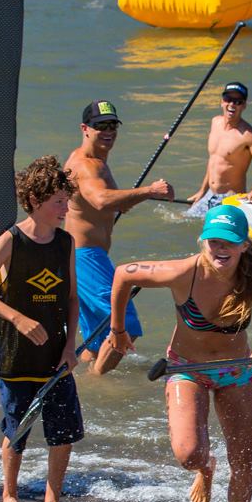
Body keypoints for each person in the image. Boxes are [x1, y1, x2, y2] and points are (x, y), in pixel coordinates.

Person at [107, 205, 252, 502]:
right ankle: (206, 468)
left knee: (244, 460)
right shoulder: (184, 273)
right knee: (189, 456)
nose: (220, 249)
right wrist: (117, 330)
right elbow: (123, 274)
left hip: (236, 371)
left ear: (243, 245)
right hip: (186, 369)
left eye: (229, 242)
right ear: (202, 241)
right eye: (214, 241)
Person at [0, 156, 85, 502]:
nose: (66, 209)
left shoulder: (65, 242)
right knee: (16, 430)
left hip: (56, 355)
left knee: (63, 433)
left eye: (66, 201)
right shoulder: (10, 240)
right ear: (34, 200)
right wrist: (17, 318)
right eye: (59, 202)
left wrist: (70, 346)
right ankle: (9, 497)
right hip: (17, 357)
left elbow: (72, 298)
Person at [62, 100, 173, 370]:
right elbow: (101, 200)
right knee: (125, 327)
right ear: (85, 128)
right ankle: (100, 381)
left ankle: (85, 383)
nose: (108, 131)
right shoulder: (88, 166)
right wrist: (150, 191)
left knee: (96, 339)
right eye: (101, 126)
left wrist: (133, 198)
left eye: (113, 125)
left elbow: (112, 202)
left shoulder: (94, 161)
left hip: (80, 256)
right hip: (86, 258)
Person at [187, 82, 252, 216]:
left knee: (211, 230)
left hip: (231, 200)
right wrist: (202, 191)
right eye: (228, 99)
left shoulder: (249, 136)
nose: (232, 104)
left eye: (238, 101)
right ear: (222, 101)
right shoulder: (215, 122)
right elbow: (214, 161)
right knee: (182, 219)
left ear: (244, 106)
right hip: (209, 195)